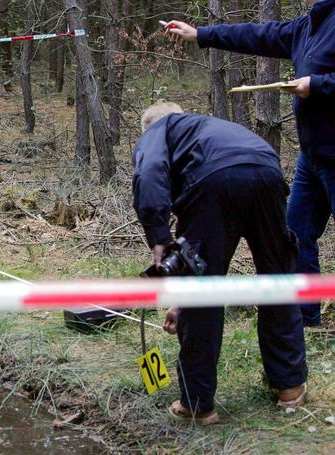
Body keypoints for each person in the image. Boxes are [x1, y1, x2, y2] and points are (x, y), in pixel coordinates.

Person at [133, 102, 308, 425]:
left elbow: (149, 173)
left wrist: (158, 237)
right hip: (268, 171)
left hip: (212, 183)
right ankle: (290, 388)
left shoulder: (160, 127)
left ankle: (197, 404)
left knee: (203, 291)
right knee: (277, 279)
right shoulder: (213, 128)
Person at [163, 0, 335, 327]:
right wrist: (200, 34)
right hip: (312, 159)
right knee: (295, 236)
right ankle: (304, 320)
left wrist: (318, 85)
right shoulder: (308, 25)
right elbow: (259, 35)